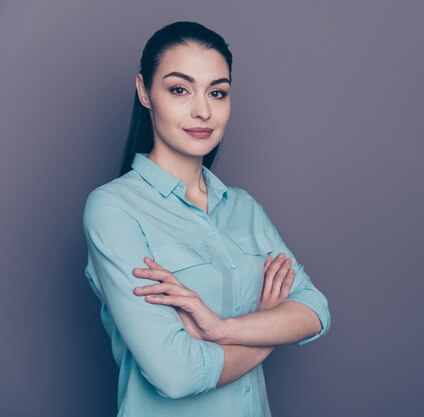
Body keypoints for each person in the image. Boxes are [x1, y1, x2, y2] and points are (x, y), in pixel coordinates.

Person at [82, 21, 331, 417]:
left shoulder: (244, 208)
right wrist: (267, 331)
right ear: (145, 92)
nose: (203, 110)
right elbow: (175, 374)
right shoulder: (114, 210)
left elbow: (315, 311)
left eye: (217, 92)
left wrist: (222, 329)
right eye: (179, 89)